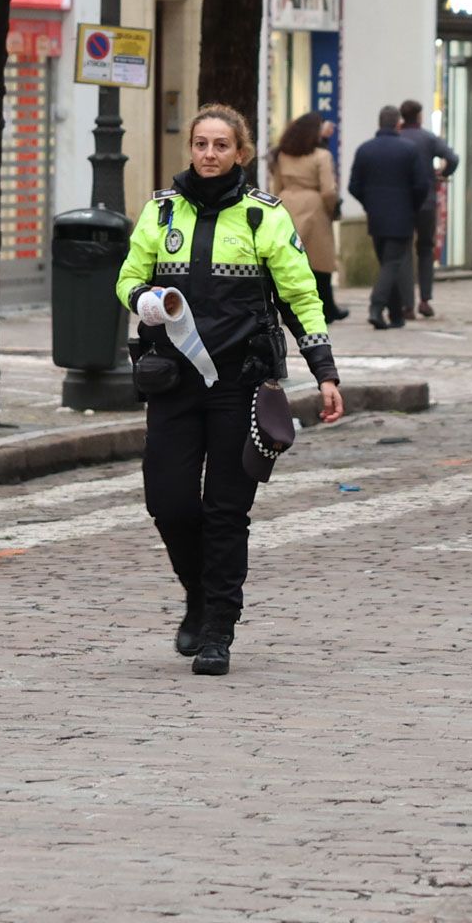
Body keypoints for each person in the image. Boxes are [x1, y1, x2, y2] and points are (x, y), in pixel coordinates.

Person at [117, 103, 345, 677]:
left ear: (240, 153)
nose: (210, 154)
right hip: (173, 381)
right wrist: (144, 300)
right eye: (201, 144)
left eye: (222, 145)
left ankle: (219, 626)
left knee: (226, 510)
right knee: (167, 502)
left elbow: (300, 296)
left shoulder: (262, 217)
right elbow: (128, 277)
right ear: (190, 149)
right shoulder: (160, 211)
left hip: (239, 385)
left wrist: (325, 370)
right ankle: (196, 592)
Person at [348, 105, 431, 329]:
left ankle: (395, 314)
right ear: (398, 124)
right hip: (402, 216)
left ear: (379, 123)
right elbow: (422, 185)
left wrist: (369, 204)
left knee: (388, 263)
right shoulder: (409, 150)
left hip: (376, 218)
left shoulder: (365, 150)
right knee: (392, 263)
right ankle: (377, 307)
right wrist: (412, 206)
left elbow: (354, 186)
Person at [269, 111, 348, 323]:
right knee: (320, 262)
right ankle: (325, 306)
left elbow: (275, 187)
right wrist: (331, 209)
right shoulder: (322, 156)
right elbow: (329, 190)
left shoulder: (282, 155)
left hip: (287, 205)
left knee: (289, 260)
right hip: (315, 208)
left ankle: (288, 307)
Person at [397, 99, 460, 319]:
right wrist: (444, 173)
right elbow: (452, 158)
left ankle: (407, 305)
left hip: (403, 203)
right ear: (420, 116)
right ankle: (425, 299)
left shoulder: (398, 138)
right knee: (425, 249)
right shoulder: (428, 138)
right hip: (426, 202)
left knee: (404, 250)